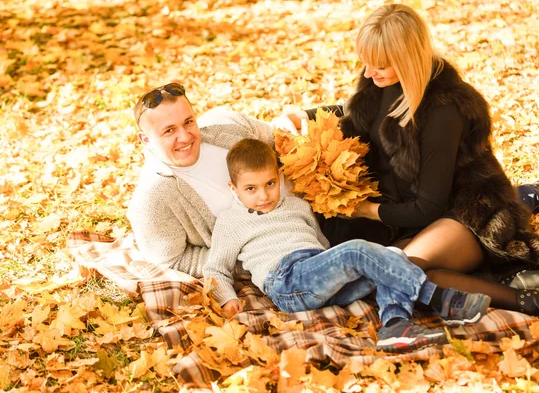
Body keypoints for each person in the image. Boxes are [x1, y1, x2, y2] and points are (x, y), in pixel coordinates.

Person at [279, 4, 539, 321]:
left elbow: (429, 206)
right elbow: (356, 115)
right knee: (401, 279)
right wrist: (304, 117)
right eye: (364, 62)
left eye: (379, 65)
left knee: (399, 272)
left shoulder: (444, 110)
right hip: (409, 221)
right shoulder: (378, 84)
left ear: (407, 60)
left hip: (467, 215)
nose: (367, 72)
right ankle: (511, 276)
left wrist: (365, 210)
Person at [203, 138, 491, 353]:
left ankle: (395, 327)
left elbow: (321, 245)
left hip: (318, 274)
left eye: (269, 183)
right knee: (356, 251)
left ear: (279, 177)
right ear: (233, 188)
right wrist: (227, 298)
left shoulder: (297, 206)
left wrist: (341, 263)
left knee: (390, 257)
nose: (263, 195)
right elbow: (216, 267)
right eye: (250, 189)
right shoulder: (231, 221)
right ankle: (440, 299)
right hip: (286, 282)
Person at [127, 82, 283, 277]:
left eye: (188, 122)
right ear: (146, 140)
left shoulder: (225, 126)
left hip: (318, 195)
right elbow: (173, 260)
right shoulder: (151, 199)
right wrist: (245, 260)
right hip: (286, 247)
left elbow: (280, 138)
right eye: (169, 131)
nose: (185, 137)